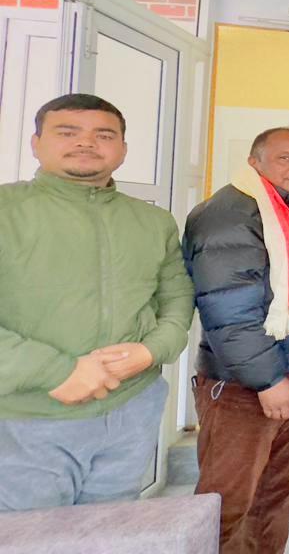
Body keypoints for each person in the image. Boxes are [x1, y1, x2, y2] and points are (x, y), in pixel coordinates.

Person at [0, 94, 194, 511]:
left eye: (104, 135)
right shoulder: (7, 210)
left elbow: (177, 298)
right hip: (29, 416)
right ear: (36, 143)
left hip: (131, 408)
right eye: (68, 132)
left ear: (122, 149)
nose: (86, 142)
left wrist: (151, 350)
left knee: (110, 528)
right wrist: (56, 371)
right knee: (28, 535)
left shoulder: (153, 221)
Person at [185, 127, 289, 554]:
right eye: (285, 158)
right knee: (228, 502)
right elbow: (229, 308)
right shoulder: (228, 214)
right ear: (254, 161)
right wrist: (267, 379)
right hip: (247, 384)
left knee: (278, 489)